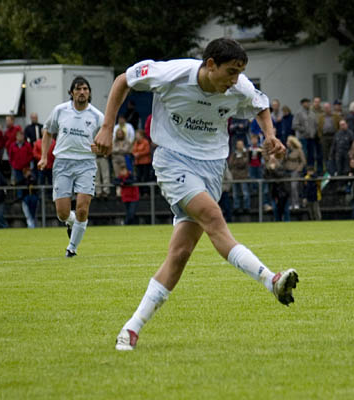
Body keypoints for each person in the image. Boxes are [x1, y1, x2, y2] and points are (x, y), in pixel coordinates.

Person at [92, 38, 298, 351]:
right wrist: (107, 127)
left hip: (213, 167)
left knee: (179, 255)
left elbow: (260, 104)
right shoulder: (172, 73)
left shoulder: (239, 87)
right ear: (210, 65)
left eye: (240, 72)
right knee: (213, 217)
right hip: (173, 160)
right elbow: (124, 79)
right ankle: (270, 280)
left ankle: (131, 328)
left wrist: (270, 135)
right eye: (231, 72)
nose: (236, 80)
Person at [38, 76, 103, 258]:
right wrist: (44, 157)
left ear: (89, 93)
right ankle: (72, 222)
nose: (82, 92)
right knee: (62, 213)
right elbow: (48, 132)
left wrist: (101, 149)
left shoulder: (97, 116)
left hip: (86, 164)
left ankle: (72, 248)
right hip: (63, 163)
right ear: (71, 92)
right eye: (78, 89)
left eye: (85, 89)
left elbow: (108, 143)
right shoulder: (60, 111)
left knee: (82, 208)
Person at [7, 131, 33, 198]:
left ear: (23, 137)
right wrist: (13, 164)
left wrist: (26, 162)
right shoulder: (12, 145)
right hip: (16, 168)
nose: (20, 137)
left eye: (21, 136)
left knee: (27, 182)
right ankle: (20, 197)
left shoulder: (27, 145)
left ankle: (26, 196)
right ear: (16, 137)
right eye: (19, 136)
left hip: (26, 168)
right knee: (19, 182)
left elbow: (30, 155)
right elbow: (10, 156)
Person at [265, 155, 290, 222]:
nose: (272, 161)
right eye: (271, 159)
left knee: (285, 209)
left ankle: (287, 222)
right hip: (274, 192)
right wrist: (268, 169)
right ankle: (277, 222)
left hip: (283, 191)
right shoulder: (268, 168)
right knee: (275, 208)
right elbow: (266, 177)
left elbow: (280, 175)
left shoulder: (281, 167)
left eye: (274, 159)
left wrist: (274, 170)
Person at [228, 139, 250, 213]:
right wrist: (239, 162)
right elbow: (231, 163)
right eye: (238, 144)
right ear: (236, 145)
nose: (239, 146)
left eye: (241, 144)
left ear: (243, 145)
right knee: (235, 194)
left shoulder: (246, 153)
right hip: (235, 176)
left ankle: (246, 207)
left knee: (245, 193)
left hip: (243, 176)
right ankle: (236, 207)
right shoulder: (234, 154)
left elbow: (244, 163)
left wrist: (237, 162)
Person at [284, 135, 306, 209]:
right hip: (287, 171)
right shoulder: (286, 151)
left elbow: (303, 161)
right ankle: (290, 204)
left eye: (288, 142)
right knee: (288, 188)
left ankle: (296, 203)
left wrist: (299, 169)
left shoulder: (299, 150)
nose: (287, 143)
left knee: (294, 187)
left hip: (295, 171)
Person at [317, 102, 340, 174]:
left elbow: (339, 125)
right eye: (325, 108)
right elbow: (319, 127)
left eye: (328, 107)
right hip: (324, 137)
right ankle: (328, 169)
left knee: (334, 153)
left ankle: (335, 169)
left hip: (334, 136)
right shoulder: (321, 117)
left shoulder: (335, 116)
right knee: (325, 154)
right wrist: (320, 136)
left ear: (330, 108)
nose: (326, 109)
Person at [132, 129, 152, 196]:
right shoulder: (135, 143)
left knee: (145, 177)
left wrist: (139, 154)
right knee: (138, 177)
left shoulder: (145, 142)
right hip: (138, 163)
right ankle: (139, 192)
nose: (136, 136)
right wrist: (135, 154)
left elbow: (147, 150)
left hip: (145, 163)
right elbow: (133, 150)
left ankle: (146, 192)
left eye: (137, 135)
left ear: (142, 135)